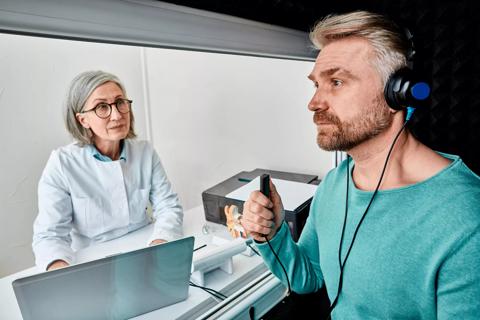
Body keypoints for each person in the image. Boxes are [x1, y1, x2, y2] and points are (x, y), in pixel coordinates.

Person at [241, 11, 480, 318]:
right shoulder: (334, 183)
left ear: (396, 92)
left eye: (337, 81)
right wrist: (271, 234)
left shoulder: (466, 217)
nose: (314, 103)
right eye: (317, 85)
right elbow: (308, 277)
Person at [33, 70, 183, 272]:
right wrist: (60, 272)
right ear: (82, 120)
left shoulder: (145, 152)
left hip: (146, 252)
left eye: (120, 102)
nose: (117, 115)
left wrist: (161, 243)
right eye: (102, 107)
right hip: (94, 263)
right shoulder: (62, 164)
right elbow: (49, 236)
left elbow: (168, 207)